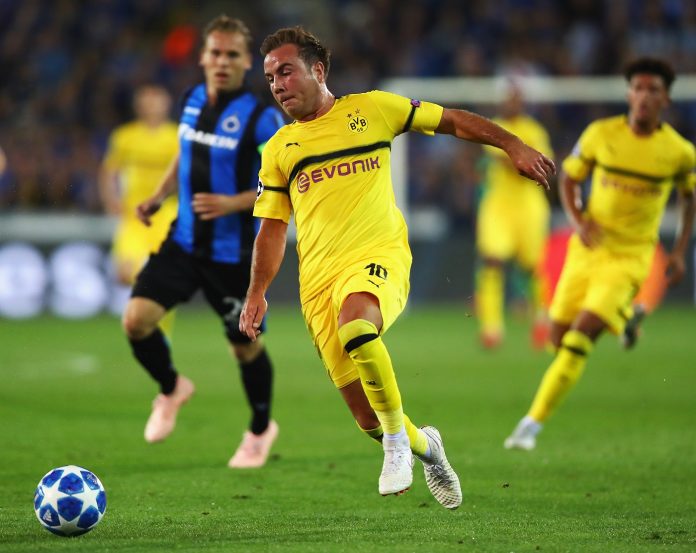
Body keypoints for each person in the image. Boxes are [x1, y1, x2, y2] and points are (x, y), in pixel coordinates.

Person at [239, 26, 554, 508]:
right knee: (367, 418)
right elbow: (272, 229)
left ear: (317, 70)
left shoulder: (373, 109)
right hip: (317, 282)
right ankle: (427, 448)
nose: (278, 84)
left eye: (286, 71)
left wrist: (511, 144)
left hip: (378, 255)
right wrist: (257, 292)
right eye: (269, 77)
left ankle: (396, 445)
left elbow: (451, 121)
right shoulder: (280, 150)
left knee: (358, 327)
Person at [504, 57, 695, 451]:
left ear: (666, 99)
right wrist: (577, 220)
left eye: (653, 90)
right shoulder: (600, 134)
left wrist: (678, 251)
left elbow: (689, 197)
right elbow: (570, 178)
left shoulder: (678, 152)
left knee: (579, 337)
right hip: (587, 249)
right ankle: (626, 317)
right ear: (629, 93)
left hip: (631, 257)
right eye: (638, 88)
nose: (644, 96)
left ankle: (530, 425)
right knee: (556, 340)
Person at [122, 15, 285, 468]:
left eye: (232, 54)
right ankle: (172, 387)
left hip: (233, 255)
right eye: (215, 52)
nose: (221, 62)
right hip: (185, 240)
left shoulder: (260, 116)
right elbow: (185, 149)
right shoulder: (192, 98)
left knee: (245, 347)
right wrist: (158, 194)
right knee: (136, 320)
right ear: (202, 57)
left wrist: (235, 203)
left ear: (245, 63)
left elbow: (285, 178)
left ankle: (259, 429)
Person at [475, 81, 554, 349]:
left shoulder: (534, 131)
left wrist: (516, 162)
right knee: (492, 262)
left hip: (529, 206)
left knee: (532, 268)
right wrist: (520, 159)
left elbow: (539, 166)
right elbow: (508, 162)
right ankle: (492, 329)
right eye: (508, 97)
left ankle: (542, 322)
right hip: (498, 205)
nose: (512, 102)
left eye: (516, 98)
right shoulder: (493, 127)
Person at [99, 85, 179, 333]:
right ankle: (150, 312)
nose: (152, 106)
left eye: (157, 101)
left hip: (166, 214)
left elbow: (187, 173)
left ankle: (160, 331)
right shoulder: (125, 136)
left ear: (166, 105)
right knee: (124, 273)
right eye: (147, 101)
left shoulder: (176, 135)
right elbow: (109, 171)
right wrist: (110, 199)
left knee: (166, 273)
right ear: (138, 106)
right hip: (133, 216)